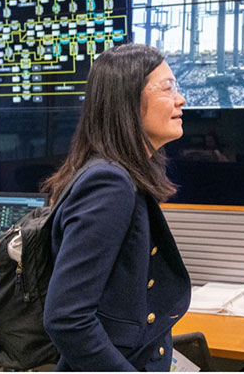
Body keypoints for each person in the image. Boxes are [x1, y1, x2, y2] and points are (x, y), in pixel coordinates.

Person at [41, 43, 191, 371]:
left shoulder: (118, 174)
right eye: (167, 88)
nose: (180, 99)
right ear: (128, 100)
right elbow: (66, 318)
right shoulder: (109, 183)